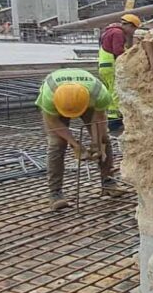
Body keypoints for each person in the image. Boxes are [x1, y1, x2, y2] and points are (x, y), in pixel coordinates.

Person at [36, 68, 122, 210]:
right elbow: (54, 123)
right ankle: (55, 193)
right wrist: (75, 144)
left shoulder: (99, 93)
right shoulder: (49, 96)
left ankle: (108, 182)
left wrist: (96, 142)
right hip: (59, 103)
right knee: (57, 144)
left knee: (104, 140)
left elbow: (97, 119)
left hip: (88, 102)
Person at [98, 12, 141, 132]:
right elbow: (118, 51)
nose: (133, 33)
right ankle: (114, 122)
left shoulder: (109, 31)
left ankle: (113, 118)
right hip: (110, 66)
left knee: (111, 90)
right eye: (134, 29)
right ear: (130, 26)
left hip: (105, 66)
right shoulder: (117, 33)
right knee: (115, 91)